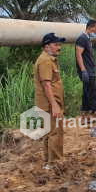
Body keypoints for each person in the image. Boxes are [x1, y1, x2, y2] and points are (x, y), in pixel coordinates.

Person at [34, 33, 66, 165]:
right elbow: (47, 85)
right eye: (56, 44)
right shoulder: (46, 61)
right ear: (47, 46)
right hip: (49, 105)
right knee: (55, 133)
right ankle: (55, 164)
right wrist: (54, 105)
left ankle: (49, 163)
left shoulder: (47, 59)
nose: (59, 47)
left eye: (59, 44)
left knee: (49, 133)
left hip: (47, 104)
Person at [75, 19, 96, 115]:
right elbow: (78, 54)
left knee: (86, 92)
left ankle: (84, 114)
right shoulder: (82, 38)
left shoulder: (88, 39)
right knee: (92, 92)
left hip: (90, 69)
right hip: (87, 70)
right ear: (90, 27)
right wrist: (83, 70)